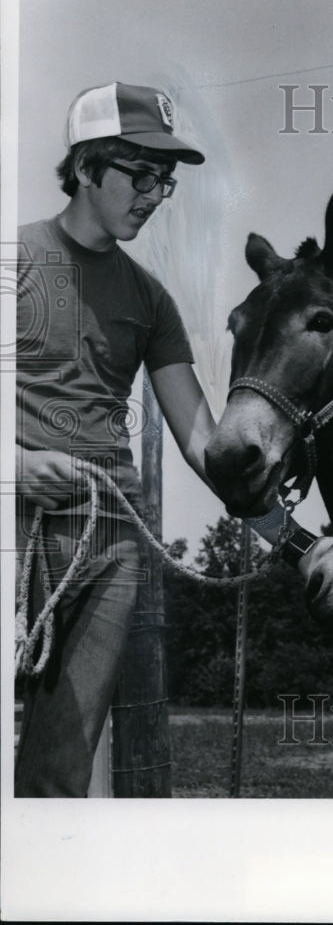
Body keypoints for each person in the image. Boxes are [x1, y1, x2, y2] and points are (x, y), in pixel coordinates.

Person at [15, 82, 217, 797]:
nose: (156, 195)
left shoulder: (150, 299)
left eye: (165, 181)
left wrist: (295, 537)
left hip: (113, 544)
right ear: (87, 166)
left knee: (60, 767)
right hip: (15, 526)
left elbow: (203, 442)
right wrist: (10, 467)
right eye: (142, 174)